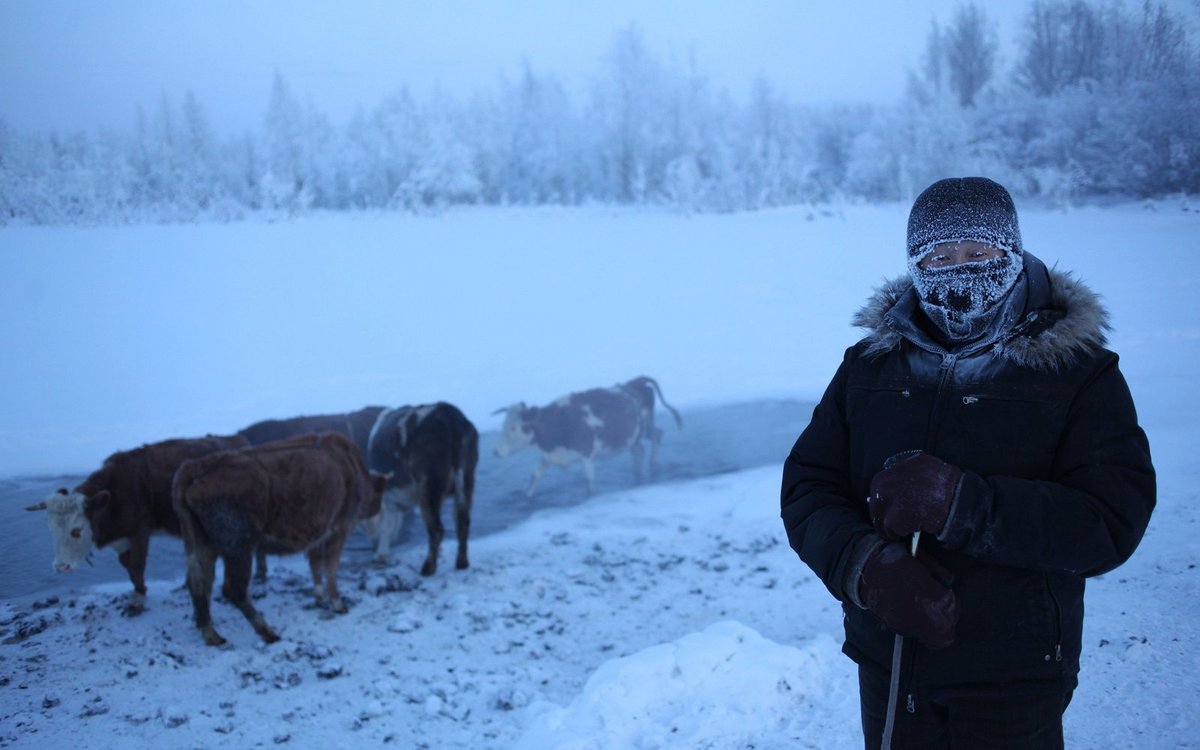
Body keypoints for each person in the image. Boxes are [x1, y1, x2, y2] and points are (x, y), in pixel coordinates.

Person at [780, 177, 1156, 749]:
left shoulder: (1079, 373)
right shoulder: (868, 367)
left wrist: (962, 504)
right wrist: (865, 569)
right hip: (892, 663)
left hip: (1016, 674)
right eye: (940, 255)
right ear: (916, 264)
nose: (960, 270)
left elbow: (1109, 520)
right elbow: (809, 487)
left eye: (979, 253)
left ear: (1012, 252)